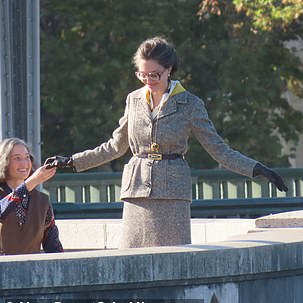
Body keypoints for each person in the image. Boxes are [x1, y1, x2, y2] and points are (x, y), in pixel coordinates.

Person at [45, 36, 288, 249]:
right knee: (131, 262)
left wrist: (257, 168)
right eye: (142, 74)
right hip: (136, 192)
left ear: (169, 69)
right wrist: (72, 161)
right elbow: (115, 146)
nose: (147, 80)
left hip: (172, 195)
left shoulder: (191, 104)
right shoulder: (133, 99)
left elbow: (219, 150)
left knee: (174, 261)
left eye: (154, 74)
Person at [0, 138, 63, 255]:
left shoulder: (42, 201)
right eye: (17, 158)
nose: (24, 163)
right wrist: (31, 182)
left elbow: (53, 245)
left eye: (27, 157)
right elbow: (2, 210)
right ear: (4, 161)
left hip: (32, 271)